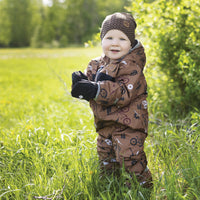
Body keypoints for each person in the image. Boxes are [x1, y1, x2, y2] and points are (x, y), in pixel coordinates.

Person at [71, 12, 153, 189]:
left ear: (131, 43)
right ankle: (110, 185)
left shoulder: (132, 67)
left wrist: (96, 89)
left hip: (129, 125)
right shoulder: (98, 63)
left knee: (130, 158)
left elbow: (122, 93)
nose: (115, 43)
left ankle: (141, 188)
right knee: (106, 157)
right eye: (109, 37)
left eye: (122, 39)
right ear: (101, 40)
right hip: (105, 123)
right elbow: (94, 87)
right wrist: (83, 83)